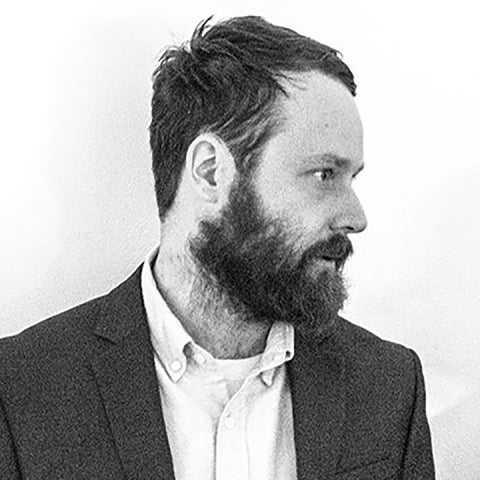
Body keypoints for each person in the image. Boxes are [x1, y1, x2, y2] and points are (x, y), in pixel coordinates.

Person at [0, 16, 434, 479]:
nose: (356, 217)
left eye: (352, 178)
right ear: (210, 171)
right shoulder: (23, 391)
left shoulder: (387, 387)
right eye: (324, 174)